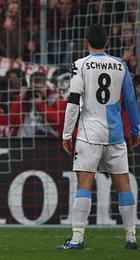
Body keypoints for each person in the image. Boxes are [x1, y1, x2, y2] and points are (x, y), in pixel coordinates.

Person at [58, 24, 140, 250]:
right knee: (123, 184)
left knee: (85, 182)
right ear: (107, 43)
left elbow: (73, 101)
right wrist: (136, 130)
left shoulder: (79, 65)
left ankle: (77, 239)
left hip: (88, 135)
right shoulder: (121, 65)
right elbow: (131, 102)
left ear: (86, 42)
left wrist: (67, 133)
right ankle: (131, 238)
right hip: (115, 135)